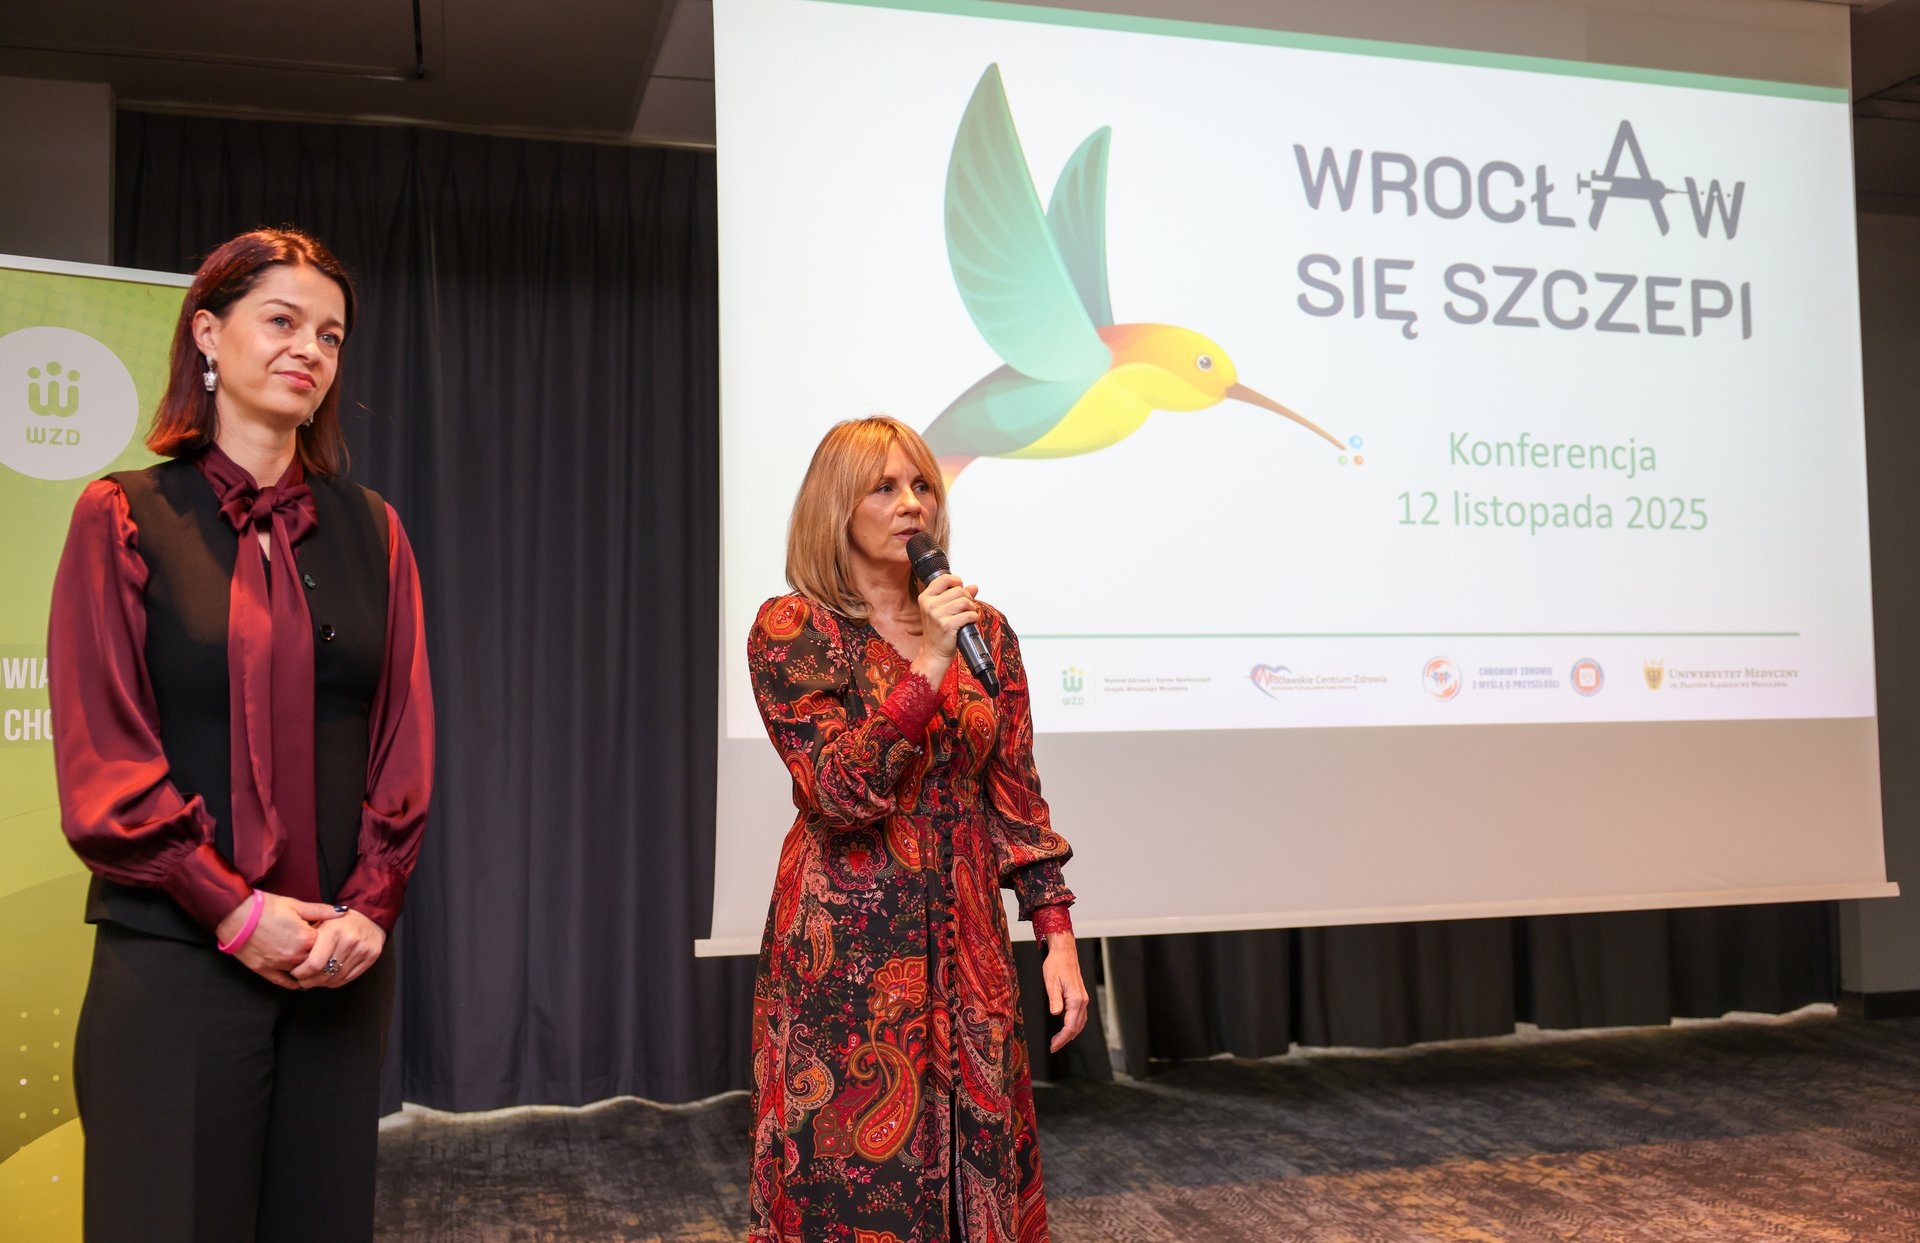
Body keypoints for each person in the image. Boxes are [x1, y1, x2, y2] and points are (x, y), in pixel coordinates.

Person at [47, 227, 433, 1243]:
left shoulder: (376, 530)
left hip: (337, 965)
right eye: (283, 320)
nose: (310, 348)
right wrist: (233, 909)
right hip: (176, 958)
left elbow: (402, 739)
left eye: (331, 335)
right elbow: (107, 764)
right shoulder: (122, 515)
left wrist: (372, 907)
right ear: (209, 334)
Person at [745, 415, 1089, 1242]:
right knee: (853, 1180)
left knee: (980, 1165)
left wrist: (1056, 930)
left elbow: (1017, 796)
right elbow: (840, 790)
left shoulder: (986, 631)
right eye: (885, 487)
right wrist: (929, 662)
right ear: (836, 507)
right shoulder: (795, 629)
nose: (913, 504)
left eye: (923, 485)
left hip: (969, 944)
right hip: (847, 954)